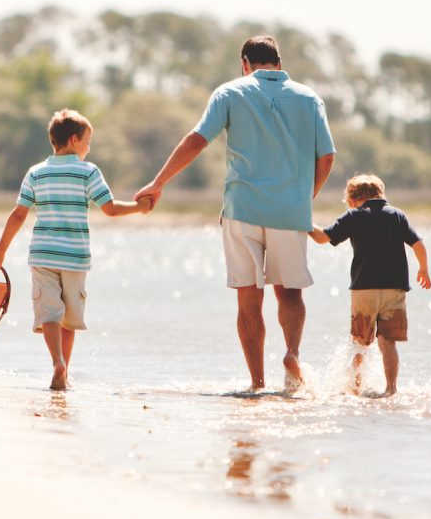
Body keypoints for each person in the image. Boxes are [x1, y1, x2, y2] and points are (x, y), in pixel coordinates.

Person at [135, 36, 334, 392]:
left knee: (248, 298)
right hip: (290, 210)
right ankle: (291, 354)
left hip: (243, 209)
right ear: (279, 63)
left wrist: (158, 182)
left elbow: (197, 140)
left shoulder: (229, 92)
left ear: (245, 63)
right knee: (290, 293)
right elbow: (327, 156)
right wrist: (304, 199)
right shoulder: (309, 98)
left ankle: (257, 383)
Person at [0, 110, 150, 391]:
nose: (89, 148)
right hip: (75, 257)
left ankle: (57, 363)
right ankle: (66, 369)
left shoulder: (36, 172)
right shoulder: (89, 172)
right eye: (87, 142)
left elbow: (18, 215)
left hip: (43, 255)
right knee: (69, 319)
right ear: (74, 140)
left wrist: (0, 251)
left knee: (49, 312)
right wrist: (139, 207)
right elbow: (110, 209)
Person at [309, 173, 430, 397]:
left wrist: (302, 222)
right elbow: (418, 244)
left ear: (353, 199)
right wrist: (423, 269)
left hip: (364, 289)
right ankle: (391, 389)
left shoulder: (354, 215)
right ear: (380, 194)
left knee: (359, 344)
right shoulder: (397, 215)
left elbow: (323, 237)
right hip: (394, 289)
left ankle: (354, 390)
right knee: (388, 343)